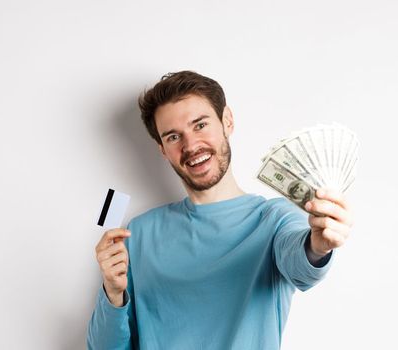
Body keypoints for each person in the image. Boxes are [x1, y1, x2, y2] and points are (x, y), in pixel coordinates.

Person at [87, 71, 354, 349]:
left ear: (227, 121)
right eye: (174, 136)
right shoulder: (138, 232)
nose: (191, 146)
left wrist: (318, 247)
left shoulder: (274, 220)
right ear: (162, 149)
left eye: (200, 125)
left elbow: (301, 267)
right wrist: (113, 292)